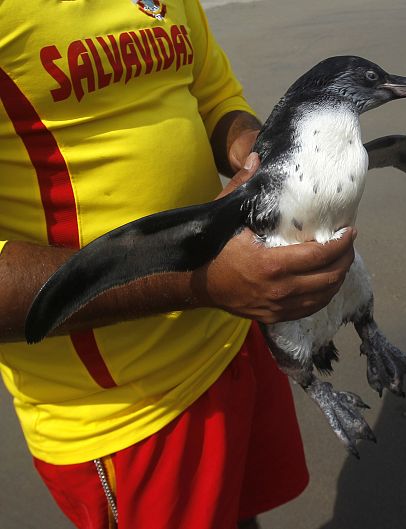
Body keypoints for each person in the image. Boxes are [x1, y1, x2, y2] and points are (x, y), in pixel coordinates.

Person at [0, 1, 356, 527]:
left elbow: (213, 96)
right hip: (130, 409)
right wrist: (200, 280)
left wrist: (272, 161)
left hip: (235, 326)